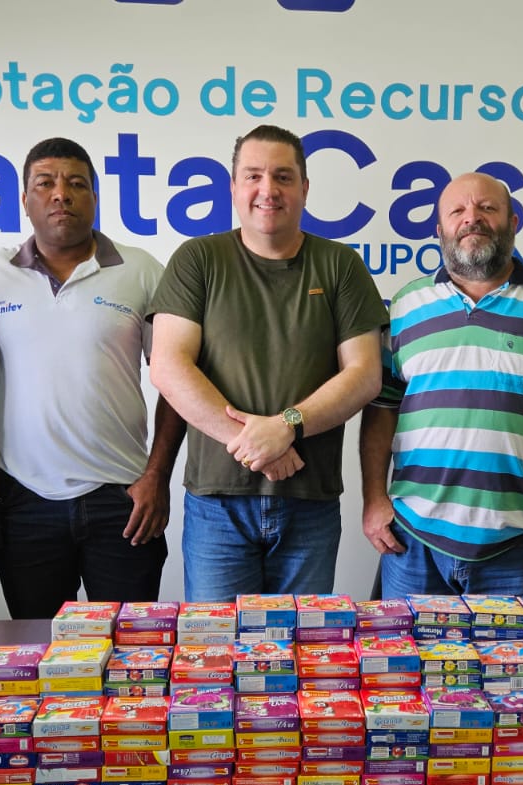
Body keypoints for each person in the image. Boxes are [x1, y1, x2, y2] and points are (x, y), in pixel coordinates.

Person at [148, 124, 387, 601]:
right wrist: (263, 444)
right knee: (215, 643)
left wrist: (288, 425)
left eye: (282, 176)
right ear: (233, 188)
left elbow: (364, 375)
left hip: (310, 505)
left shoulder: (340, 265)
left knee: (301, 643)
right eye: (253, 176)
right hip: (218, 506)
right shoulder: (198, 259)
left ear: (305, 188)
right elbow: (168, 366)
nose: (268, 189)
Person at [360, 171, 523, 598]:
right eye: (457, 210)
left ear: (513, 222)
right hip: (413, 541)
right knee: (404, 649)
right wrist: (373, 499)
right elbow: (381, 410)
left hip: (517, 547)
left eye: (487, 208)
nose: (471, 218)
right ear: (439, 230)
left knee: (511, 651)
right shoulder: (405, 306)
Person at [0, 137, 184, 617]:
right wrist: (25, 404)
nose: (61, 194)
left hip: (124, 498)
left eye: (76, 184)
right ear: (25, 200)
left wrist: (157, 476)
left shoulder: (141, 271)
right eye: (45, 183)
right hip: (25, 500)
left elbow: (177, 380)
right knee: (39, 646)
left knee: (134, 648)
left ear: (95, 198)